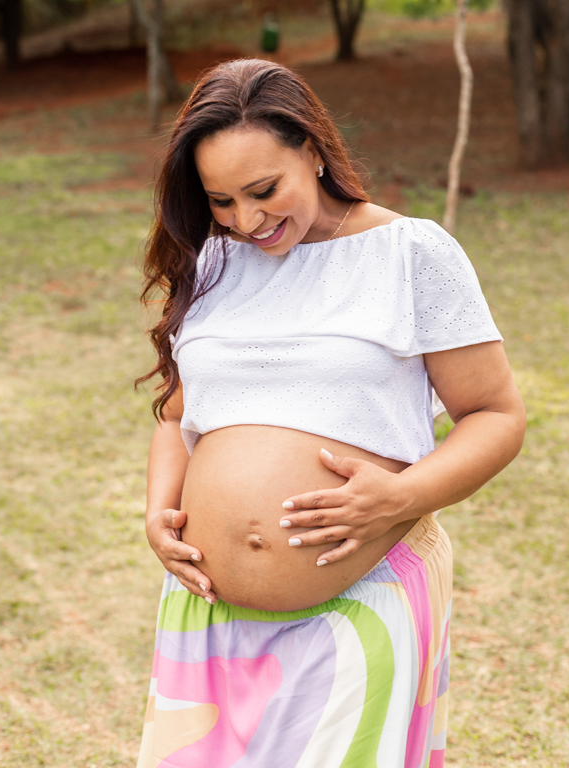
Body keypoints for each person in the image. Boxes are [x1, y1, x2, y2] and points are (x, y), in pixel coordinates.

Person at [136, 58, 525, 768]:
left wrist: (401, 496)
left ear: (312, 149)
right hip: (207, 618)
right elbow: (176, 417)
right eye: (221, 200)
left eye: (263, 190)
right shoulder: (216, 263)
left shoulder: (410, 254)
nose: (247, 221)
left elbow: (496, 416)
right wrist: (160, 511)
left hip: (357, 609)